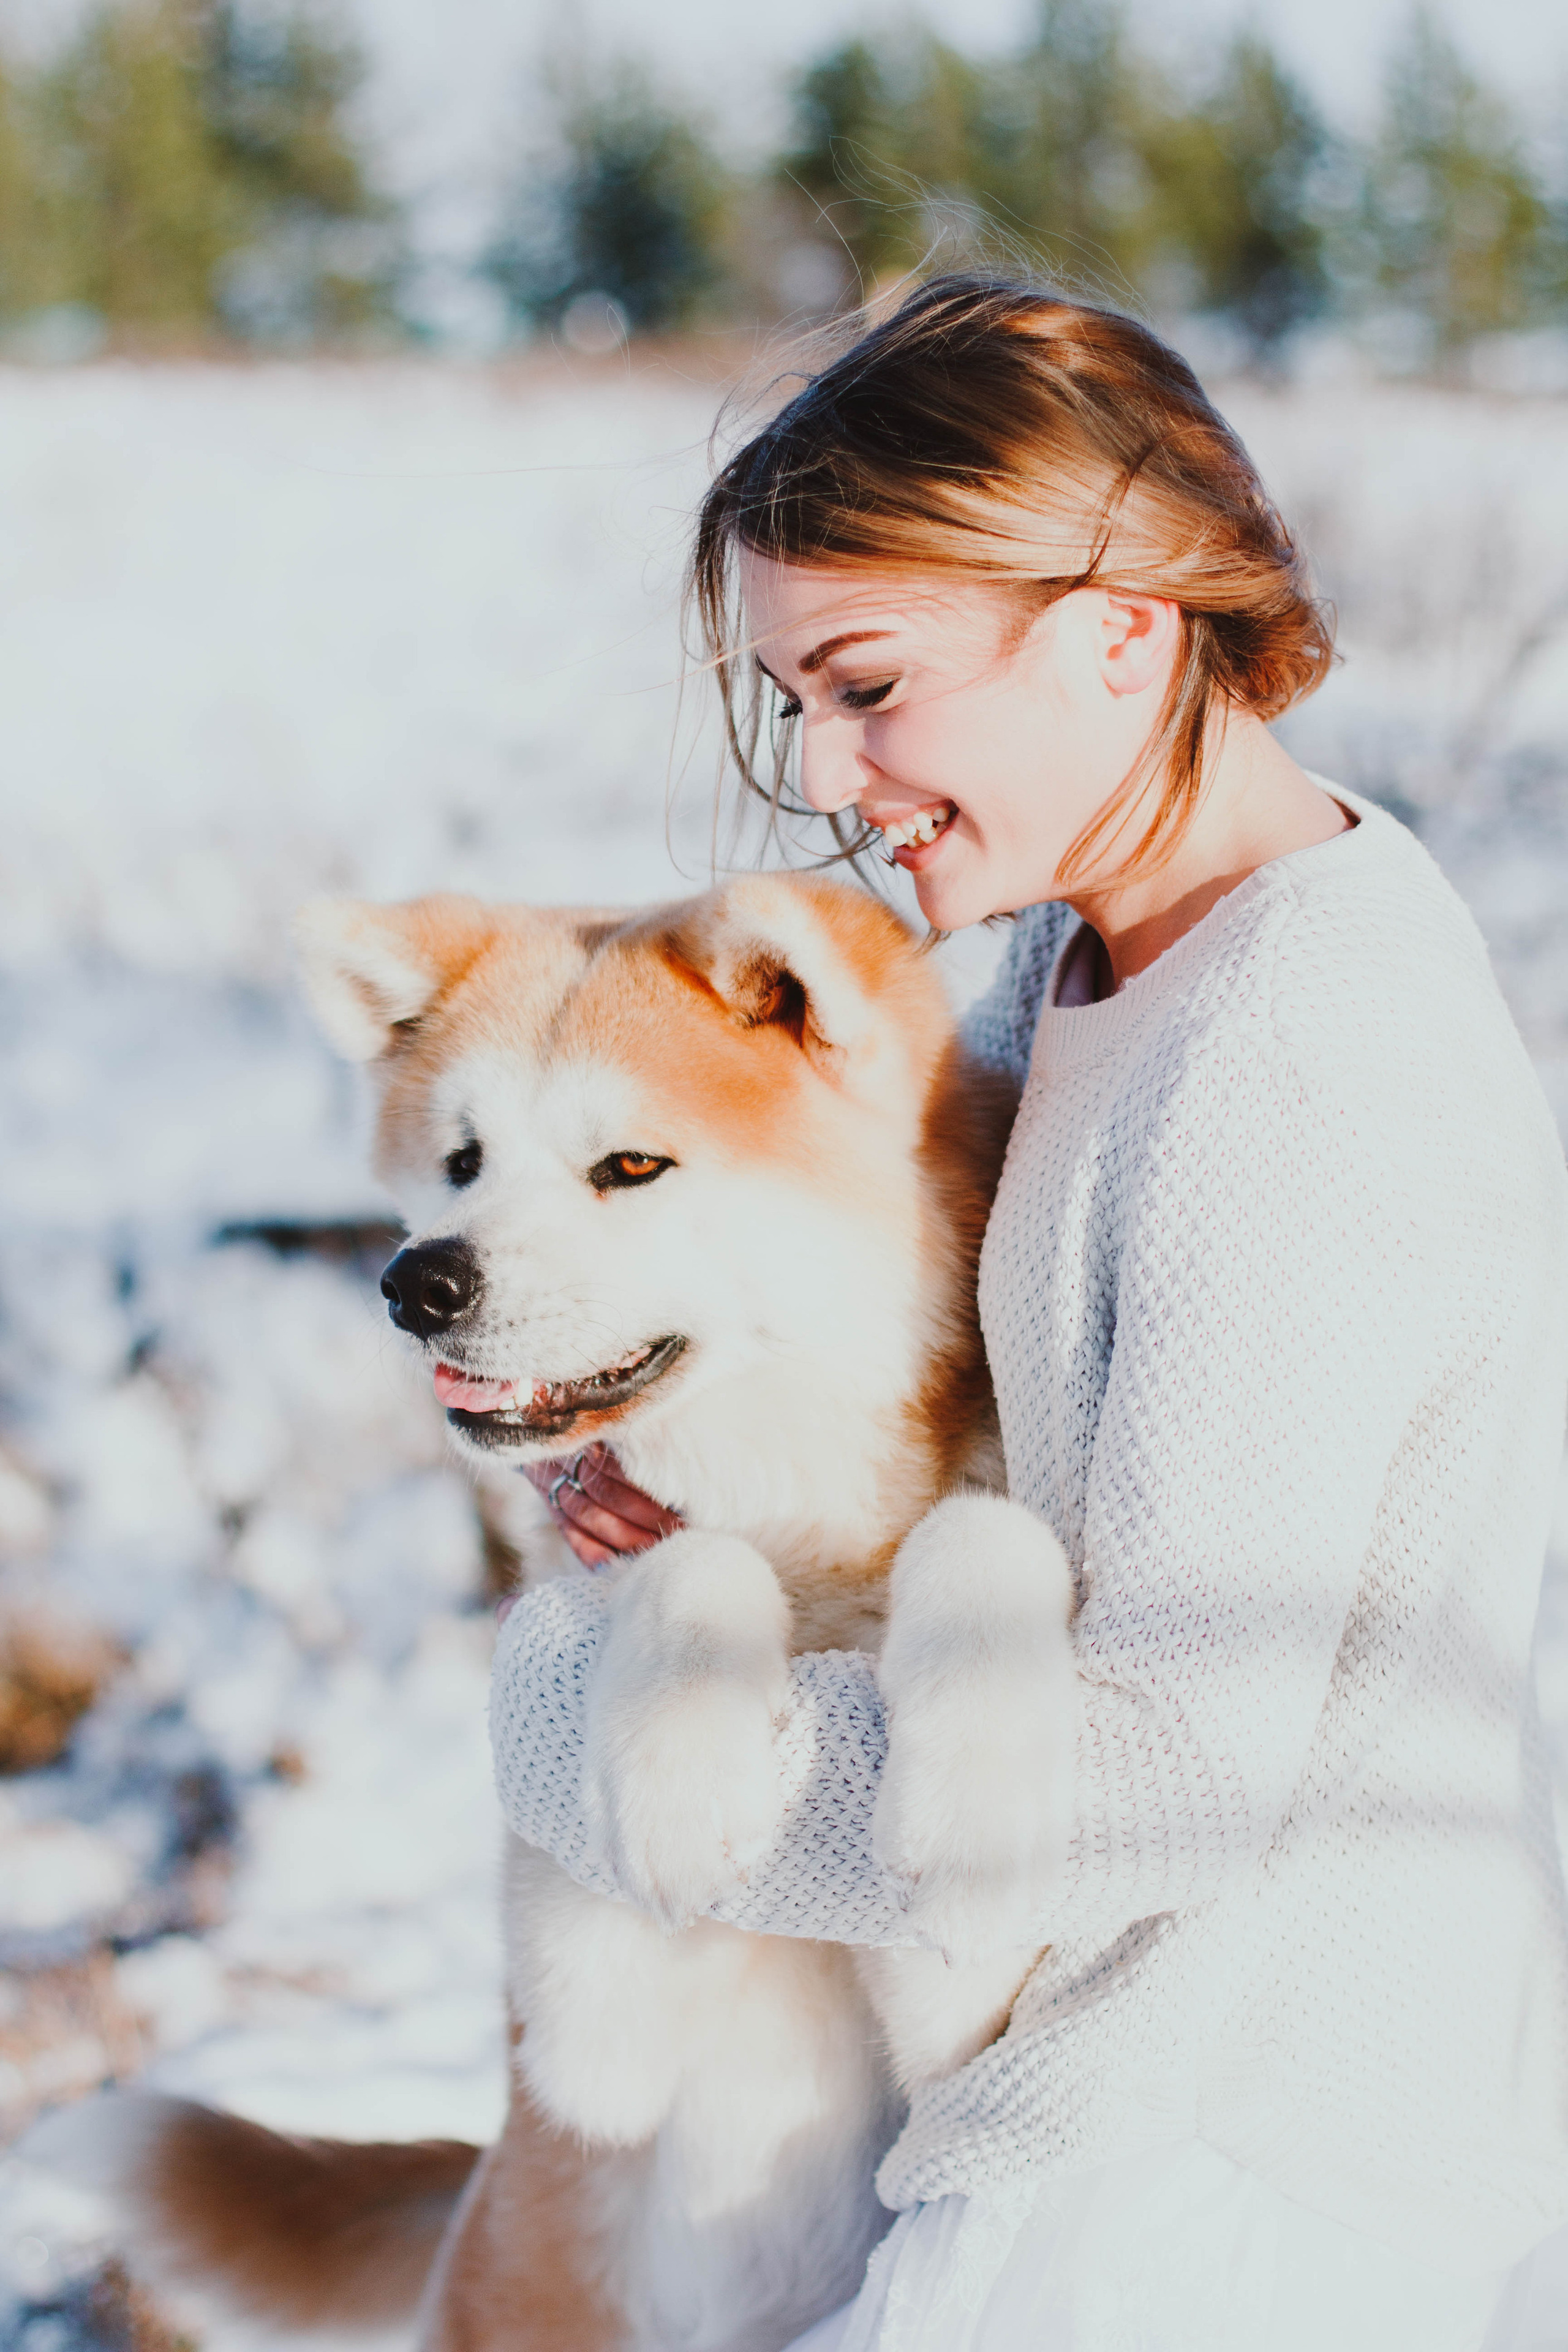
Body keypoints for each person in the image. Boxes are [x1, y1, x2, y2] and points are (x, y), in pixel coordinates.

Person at [492, 276, 1568, 2350]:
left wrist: (614, 1743)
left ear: (1120, 624)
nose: (832, 771)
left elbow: (1169, 1753)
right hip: (1105, 2129)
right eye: (791, 701)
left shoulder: (1286, 1050)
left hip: (1216, 2191)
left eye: (871, 683)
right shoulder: (1084, 971)